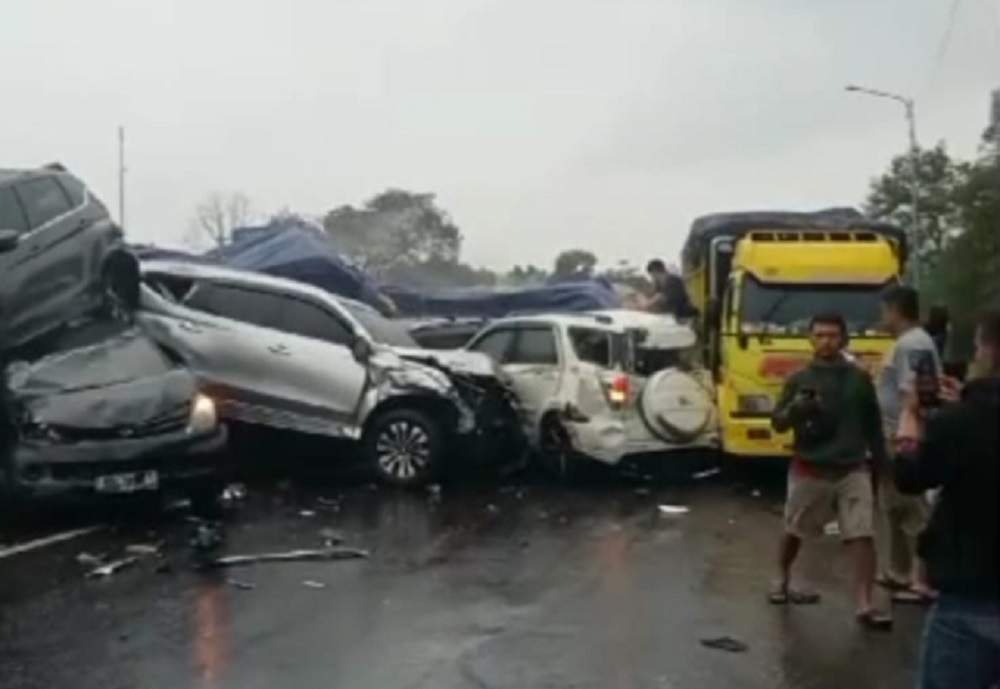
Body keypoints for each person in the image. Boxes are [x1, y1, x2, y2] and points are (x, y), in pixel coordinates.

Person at [895, 309, 1000, 689]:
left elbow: (910, 477)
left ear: (989, 350)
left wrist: (911, 419)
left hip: (971, 595)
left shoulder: (958, 422)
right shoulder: (963, 416)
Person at [769, 312, 890, 629]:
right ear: (810, 339)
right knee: (795, 529)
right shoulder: (799, 379)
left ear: (844, 339)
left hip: (853, 468)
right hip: (810, 467)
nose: (826, 341)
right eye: (820, 335)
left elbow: (873, 425)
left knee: (861, 534)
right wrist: (798, 408)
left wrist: (883, 465)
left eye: (833, 335)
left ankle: (864, 603)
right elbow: (778, 422)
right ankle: (781, 576)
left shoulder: (859, 379)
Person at [876, 286, 939, 604]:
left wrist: (908, 437)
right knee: (893, 506)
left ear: (894, 309)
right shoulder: (904, 343)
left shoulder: (913, 344)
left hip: (903, 438)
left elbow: (916, 395)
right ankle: (898, 571)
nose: (881, 317)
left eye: (883, 310)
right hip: (891, 436)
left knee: (913, 511)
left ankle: (922, 578)